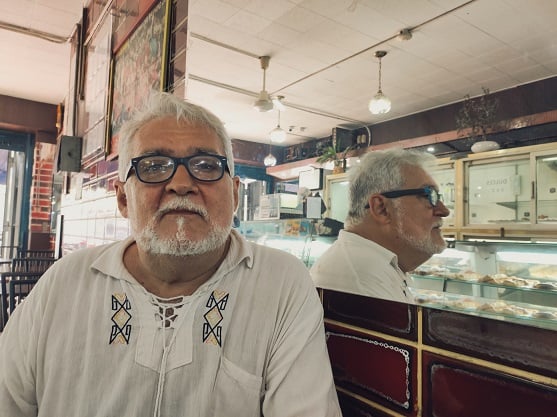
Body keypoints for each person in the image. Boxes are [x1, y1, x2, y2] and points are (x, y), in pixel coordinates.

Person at [0, 92, 341, 417]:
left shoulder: (281, 284)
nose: (181, 183)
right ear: (122, 198)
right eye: (153, 166)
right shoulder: (64, 283)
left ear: (235, 195)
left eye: (206, 165)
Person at [310, 147, 450, 303]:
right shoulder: (363, 283)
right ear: (381, 209)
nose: (444, 211)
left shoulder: (373, 267)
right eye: (429, 196)